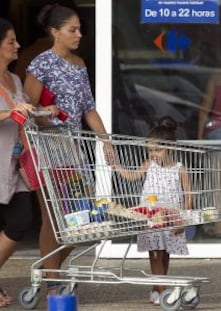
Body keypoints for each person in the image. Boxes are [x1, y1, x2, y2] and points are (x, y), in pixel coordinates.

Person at [23, 4, 110, 294]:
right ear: (55, 32)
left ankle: (49, 273)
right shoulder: (41, 64)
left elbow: (89, 109)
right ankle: (52, 283)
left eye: (80, 29)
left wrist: (105, 139)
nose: (79, 35)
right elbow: (28, 111)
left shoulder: (80, 64)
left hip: (74, 151)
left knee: (81, 219)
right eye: (73, 30)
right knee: (53, 218)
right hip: (48, 150)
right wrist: (43, 113)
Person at [114, 116, 191, 305]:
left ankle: (157, 288)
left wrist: (185, 219)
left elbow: (189, 195)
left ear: (170, 148)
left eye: (158, 149)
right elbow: (132, 176)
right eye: (150, 150)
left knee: (165, 253)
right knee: (154, 252)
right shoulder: (149, 165)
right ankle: (164, 290)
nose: (153, 154)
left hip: (171, 218)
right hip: (152, 217)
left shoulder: (180, 169)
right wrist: (116, 165)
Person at [0, 18, 35, 307]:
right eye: (11, 41)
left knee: (21, 221)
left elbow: (22, 112)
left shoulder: (14, 79)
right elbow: (11, 114)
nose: (17, 46)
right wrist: (8, 114)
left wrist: (42, 111)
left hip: (15, 162)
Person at [197, 55, 221, 238]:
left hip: (219, 133)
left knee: (219, 182)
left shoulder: (216, 77)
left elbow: (205, 109)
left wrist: (199, 137)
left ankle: (219, 227)